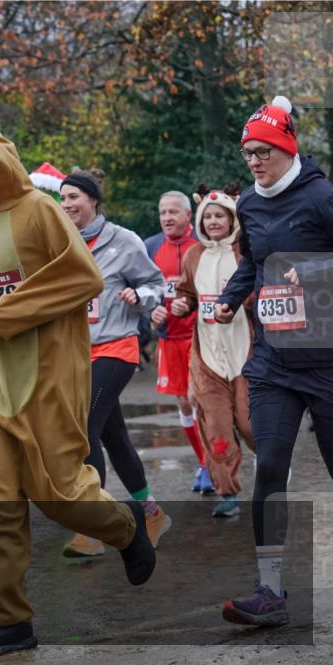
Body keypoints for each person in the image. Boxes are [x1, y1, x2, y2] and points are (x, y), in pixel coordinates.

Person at [0, 99, 155, 658]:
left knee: (58, 496)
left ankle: (128, 528)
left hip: (48, 376)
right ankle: (8, 620)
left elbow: (82, 277)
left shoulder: (38, 210)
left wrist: (5, 315)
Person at [214, 96, 333, 626]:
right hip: (272, 363)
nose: (255, 161)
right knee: (270, 468)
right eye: (247, 154)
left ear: (288, 148)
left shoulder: (323, 198)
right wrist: (229, 296)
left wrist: (309, 273)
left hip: (327, 360)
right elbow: (257, 264)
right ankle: (270, 593)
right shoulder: (250, 206)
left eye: (264, 151)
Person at [57, 170, 172, 559]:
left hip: (116, 349)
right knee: (114, 437)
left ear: (92, 200)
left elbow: (157, 286)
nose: (68, 204)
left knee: (85, 428)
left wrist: (137, 295)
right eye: (63, 198)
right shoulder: (61, 243)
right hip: (76, 354)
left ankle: (93, 527)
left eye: (74, 197)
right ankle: (152, 514)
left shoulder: (124, 241)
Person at [174, 185, 255, 519]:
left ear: (232, 217)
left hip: (245, 352)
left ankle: (272, 461)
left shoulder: (245, 252)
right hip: (207, 356)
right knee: (217, 429)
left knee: (251, 425)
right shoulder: (193, 255)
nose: (213, 221)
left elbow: (259, 288)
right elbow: (186, 293)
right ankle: (228, 492)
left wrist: (240, 302)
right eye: (207, 216)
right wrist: (181, 305)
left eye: (219, 215)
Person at [145, 190, 212, 493]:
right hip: (168, 338)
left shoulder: (202, 246)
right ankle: (203, 463)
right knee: (184, 401)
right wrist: (150, 311)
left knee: (200, 399)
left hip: (201, 336)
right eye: (162, 212)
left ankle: (213, 463)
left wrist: (195, 305)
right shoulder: (150, 247)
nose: (167, 217)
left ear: (188, 215)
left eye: (173, 211)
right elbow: (141, 290)